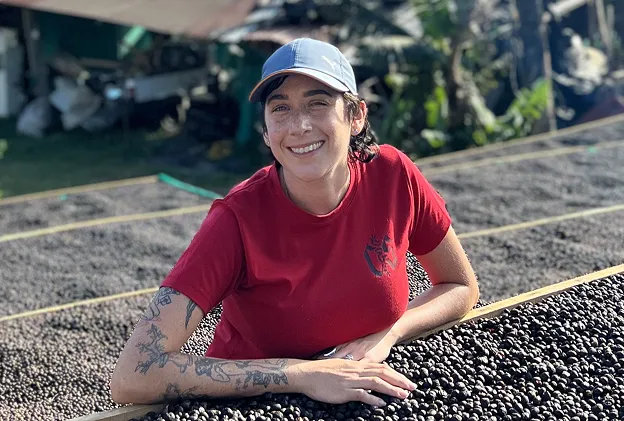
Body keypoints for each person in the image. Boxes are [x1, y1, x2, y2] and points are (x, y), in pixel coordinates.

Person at [111, 38, 479, 408]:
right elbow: (134, 374)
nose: (299, 126)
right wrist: (302, 375)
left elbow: (460, 285)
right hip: (248, 406)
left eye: (318, 104)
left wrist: (389, 333)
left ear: (356, 116)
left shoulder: (393, 175)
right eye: (280, 108)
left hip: (361, 386)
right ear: (266, 131)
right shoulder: (236, 220)